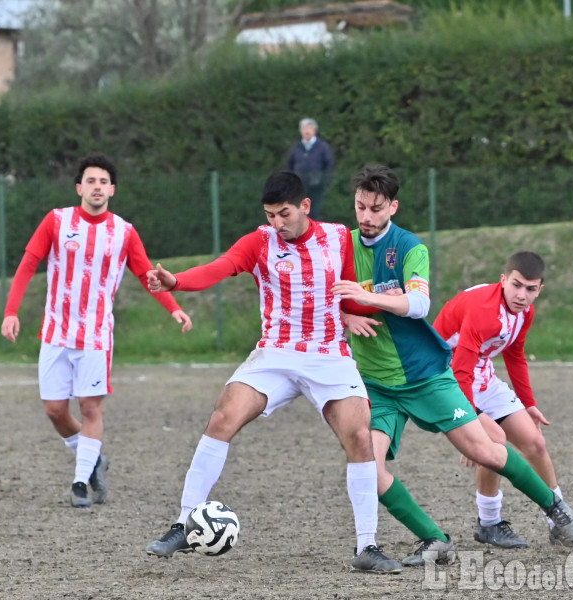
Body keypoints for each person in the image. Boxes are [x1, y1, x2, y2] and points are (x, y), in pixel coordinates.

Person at [144, 171, 402, 574]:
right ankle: (184, 522)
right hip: (275, 354)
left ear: (305, 206)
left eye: (284, 214)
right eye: (269, 215)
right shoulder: (259, 242)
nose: (276, 223)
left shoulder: (337, 237)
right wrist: (176, 281)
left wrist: (370, 305)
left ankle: (367, 546)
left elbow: (349, 291)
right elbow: (221, 267)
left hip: (329, 356)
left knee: (359, 437)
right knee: (223, 416)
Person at [333, 165, 573, 567]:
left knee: (485, 450)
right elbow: (320, 296)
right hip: (376, 384)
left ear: (393, 207)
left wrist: (367, 300)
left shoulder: (411, 248)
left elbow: (419, 305)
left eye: (376, 208)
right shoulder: (340, 245)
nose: (365, 216)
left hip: (425, 375)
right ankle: (435, 540)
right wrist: (346, 316)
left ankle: (555, 508)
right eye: (360, 207)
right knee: (368, 468)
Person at [0, 152, 193, 508]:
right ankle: (93, 461)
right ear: (79, 187)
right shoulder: (56, 221)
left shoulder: (124, 232)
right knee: (55, 411)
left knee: (91, 408)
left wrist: (175, 308)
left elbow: (147, 275)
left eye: (103, 181)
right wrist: (11, 311)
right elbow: (28, 263)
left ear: (113, 190)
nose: (97, 187)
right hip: (56, 333)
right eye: (90, 181)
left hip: (95, 336)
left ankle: (79, 481)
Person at [434, 252, 573, 548]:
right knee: (494, 440)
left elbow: (515, 355)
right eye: (516, 285)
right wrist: (468, 424)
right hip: (444, 379)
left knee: (535, 442)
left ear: (540, 289)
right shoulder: (483, 311)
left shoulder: (524, 312)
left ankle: (559, 520)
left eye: (531, 289)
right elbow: (460, 371)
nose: (522, 295)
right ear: (503, 280)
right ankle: (488, 523)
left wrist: (528, 403)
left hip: (482, 376)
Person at [285, 117, 335, 220]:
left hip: (316, 186)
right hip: (299, 186)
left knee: (314, 212)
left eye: (309, 128)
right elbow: (289, 165)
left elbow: (329, 164)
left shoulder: (322, 146)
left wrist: (324, 181)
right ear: (301, 131)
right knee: (299, 212)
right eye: (304, 128)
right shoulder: (296, 147)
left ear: (314, 131)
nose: (307, 131)